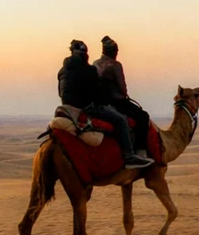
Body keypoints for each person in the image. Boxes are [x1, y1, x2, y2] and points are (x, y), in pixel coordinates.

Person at [58, 39, 152, 169]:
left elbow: (60, 93)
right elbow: (103, 92)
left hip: (67, 108)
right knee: (122, 121)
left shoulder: (62, 71)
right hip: (88, 108)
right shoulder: (93, 69)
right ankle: (130, 156)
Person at [91, 36, 153, 168]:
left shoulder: (95, 64)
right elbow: (122, 88)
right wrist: (123, 94)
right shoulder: (115, 65)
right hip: (116, 102)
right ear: (114, 51)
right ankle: (139, 153)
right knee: (143, 116)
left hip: (100, 103)